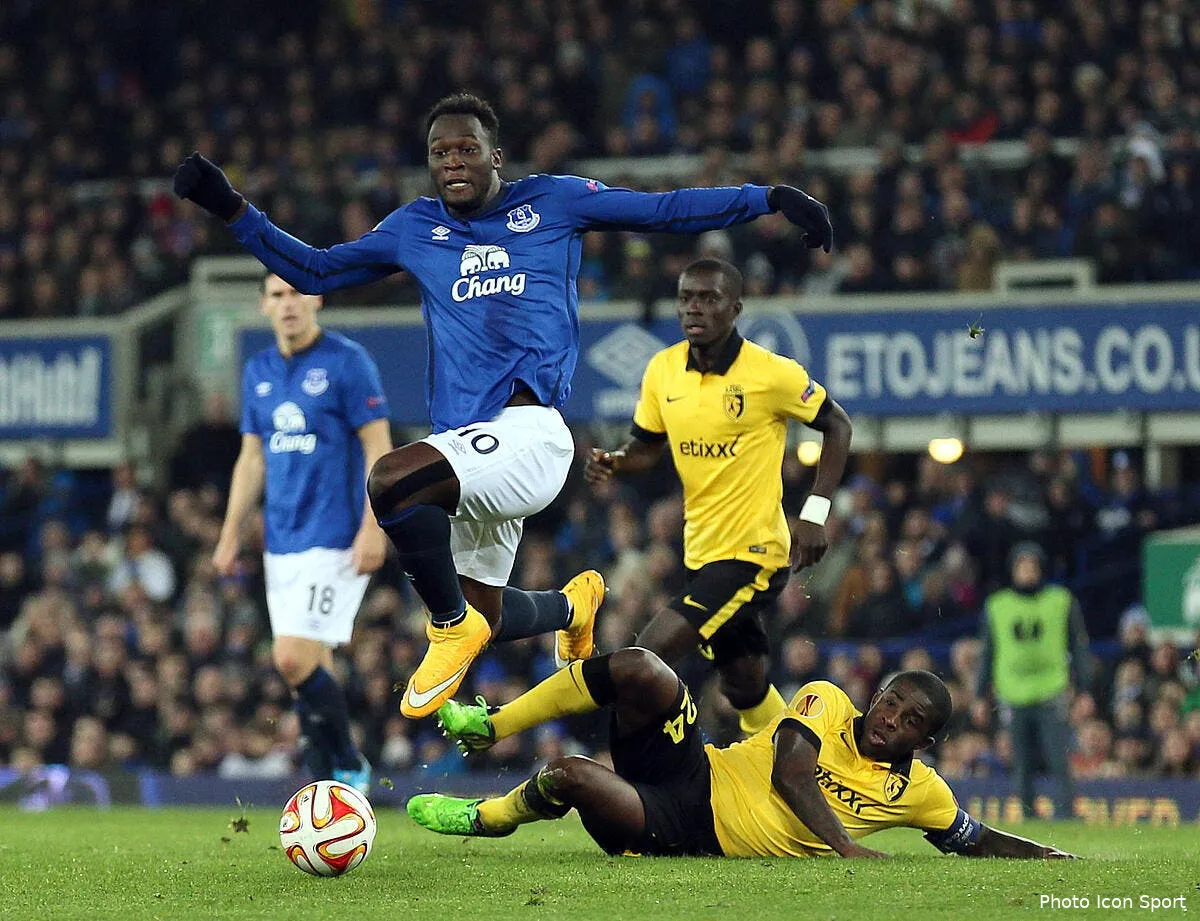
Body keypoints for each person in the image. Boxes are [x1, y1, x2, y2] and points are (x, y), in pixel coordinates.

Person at [174, 92, 836, 719]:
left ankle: (447, 624)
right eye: (440, 154)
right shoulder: (415, 227)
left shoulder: (554, 201)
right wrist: (230, 206)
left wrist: (767, 197)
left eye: (467, 150)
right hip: (468, 446)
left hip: (532, 436)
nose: (453, 163)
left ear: (496, 158)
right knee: (487, 612)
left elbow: (664, 210)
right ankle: (572, 608)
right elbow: (316, 270)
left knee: (391, 482)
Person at [408, 649, 1075, 859]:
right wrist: (846, 847)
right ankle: (495, 721)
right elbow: (790, 772)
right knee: (642, 666)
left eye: (909, 720)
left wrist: (1048, 856)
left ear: (923, 743)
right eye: (891, 700)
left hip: (684, 830)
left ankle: (489, 816)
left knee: (570, 775)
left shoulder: (920, 791)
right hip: (694, 766)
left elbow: (972, 836)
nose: (889, 717)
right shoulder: (827, 701)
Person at [584, 258, 852, 735]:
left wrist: (814, 513)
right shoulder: (663, 370)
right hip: (700, 551)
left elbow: (838, 424)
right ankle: (801, 770)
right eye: (687, 298)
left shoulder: (771, 373)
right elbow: (646, 448)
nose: (694, 308)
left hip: (753, 554)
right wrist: (617, 461)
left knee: (644, 657)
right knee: (743, 684)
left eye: (708, 299)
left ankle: (657, 783)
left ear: (735, 308)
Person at [212, 272, 394, 793]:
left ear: (316, 299)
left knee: (290, 657)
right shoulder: (258, 372)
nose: (288, 304)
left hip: (334, 535)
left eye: (296, 293)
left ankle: (349, 761)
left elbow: (377, 449)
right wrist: (230, 534)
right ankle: (325, 791)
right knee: (313, 668)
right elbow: (251, 459)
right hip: (282, 540)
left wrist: (373, 526)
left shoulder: (348, 362)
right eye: (277, 295)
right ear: (264, 306)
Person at [976, 542, 1093, 817]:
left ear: (1041, 569)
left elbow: (1078, 647)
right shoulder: (998, 605)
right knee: (1021, 763)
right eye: (1022, 565)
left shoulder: (1061, 600)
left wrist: (1086, 690)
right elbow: (988, 652)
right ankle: (1029, 819)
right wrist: (981, 695)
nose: (1027, 571)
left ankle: (1067, 816)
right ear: (1013, 569)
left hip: (1051, 691)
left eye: (1032, 565)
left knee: (1058, 760)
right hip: (1012, 693)